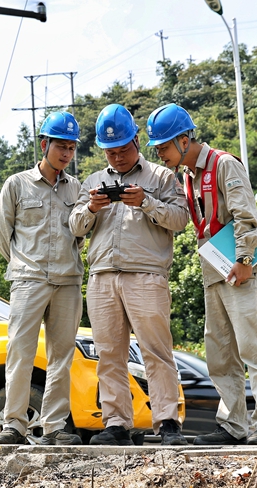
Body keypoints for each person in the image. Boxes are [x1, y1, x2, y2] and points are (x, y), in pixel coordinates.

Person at [145, 103, 257, 446]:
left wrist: (244, 259)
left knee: (254, 346)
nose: (160, 154)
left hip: (240, 266)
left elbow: (245, 215)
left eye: (163, 146)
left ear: (182, 140)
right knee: (220, 353)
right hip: (214, 270)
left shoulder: (223, 164)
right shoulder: (188, 176)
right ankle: (233, 424)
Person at [68, 104, 189, 446]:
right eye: (111, 151)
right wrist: (91, 207)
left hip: (147, 275)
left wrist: (146, 203)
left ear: (136, 140)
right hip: (103, 276)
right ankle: (116, 423)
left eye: (123, 149)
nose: (118, 157)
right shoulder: (93, 182)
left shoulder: (162, 177)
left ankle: (167, 422)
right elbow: (74, 227)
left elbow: (180, 220)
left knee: (156, 350)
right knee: (109, 354)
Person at [0, 111, 85, 446]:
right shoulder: (16, 184)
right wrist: (24, 265)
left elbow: (80, 234)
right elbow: (3, 236)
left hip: (68, 282)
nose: (66, 154)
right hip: (28, 281)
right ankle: (14, 424)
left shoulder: (76, 188)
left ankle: (55, 426)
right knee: (20, 351)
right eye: (61, 146)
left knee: (62, 355)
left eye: (72, 148)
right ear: (44, 144)